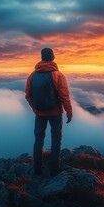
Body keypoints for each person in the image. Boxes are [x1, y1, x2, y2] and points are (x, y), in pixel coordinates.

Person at [25, 48, 73, 176]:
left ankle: (37, 169)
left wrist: (35, 108)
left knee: (38, 140)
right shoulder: (58, 75)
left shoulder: (33, 75)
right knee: (56, 140)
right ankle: (54, 170)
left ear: (41, 57)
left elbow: (28, 95)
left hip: (39, 113)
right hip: (56, 113)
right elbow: (64, 96)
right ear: (53, 57)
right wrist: (69, 112)